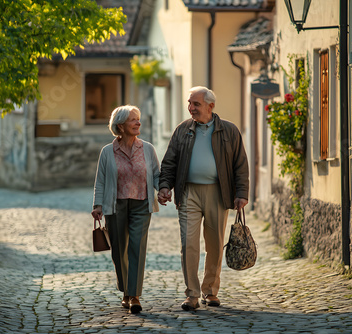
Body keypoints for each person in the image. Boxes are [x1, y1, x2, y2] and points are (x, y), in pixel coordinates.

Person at [158, 86, 249, 311]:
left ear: (210, 106)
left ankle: (210, 291)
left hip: (218, 193)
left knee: (215, 245)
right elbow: (169, 161)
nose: (191, 108)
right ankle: (192, 294)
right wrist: (164, 186)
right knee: (188, 244)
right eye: (189, 103)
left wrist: (241, 194)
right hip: (188, 192)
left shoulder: (229, 131)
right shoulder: (183, 130)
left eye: (196, 104)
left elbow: (240, 164)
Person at [91, 105, 160, 314]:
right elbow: (100, 180)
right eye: (133, 120)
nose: (138, 123)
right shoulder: (107, 151)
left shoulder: (147, 149)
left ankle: (135, 296)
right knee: (119, 251)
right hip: (116, 204)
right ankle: (126, 291)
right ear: (120, 126)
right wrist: (97, 204)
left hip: (141, 203)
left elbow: (157, 175)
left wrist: (164, 189)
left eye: (138, 119)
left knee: (137, 248)